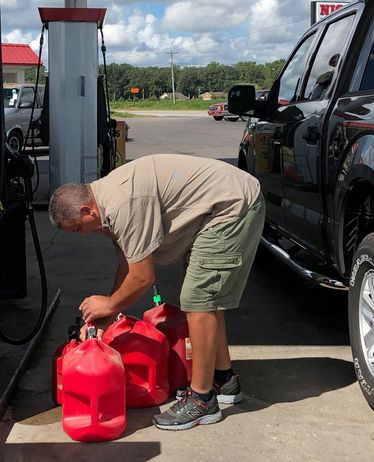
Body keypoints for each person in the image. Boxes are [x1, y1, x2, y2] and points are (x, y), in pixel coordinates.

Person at [48, 154, 265, 431]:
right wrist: (105, 316)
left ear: (87, 210)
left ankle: (202, 400)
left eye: (78, 228)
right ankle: (223, 379)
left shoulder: (123, 204)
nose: (83, 235)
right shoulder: (107, 205)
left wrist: (109, 304)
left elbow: (142, 277)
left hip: (233, 206)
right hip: (220, 205)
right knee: (205, 297)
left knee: (198, 299)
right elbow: (128, 266)